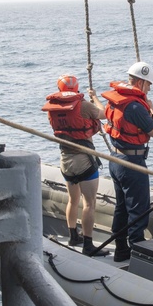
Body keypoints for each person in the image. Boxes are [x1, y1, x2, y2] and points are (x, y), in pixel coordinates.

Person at [101, 61, 153, 262]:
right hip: (132, 162)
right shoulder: (136, 106)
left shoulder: (116, 100)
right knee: (138, 208)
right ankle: (137, 253)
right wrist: (151, 110)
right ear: (141, 82)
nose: (150, 88)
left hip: (116, 158)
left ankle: (120, 249)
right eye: (149, 84)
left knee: (121, 207)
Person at [42, 74, 108, 256]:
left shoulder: (53, 108)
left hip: (65, 160)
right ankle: (88, 244)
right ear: (76, 88)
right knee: (90, 203)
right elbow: (103, 114)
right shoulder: (83, 105)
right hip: (84, 160)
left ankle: (73, 235)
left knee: (73, 199)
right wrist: (94, 97)